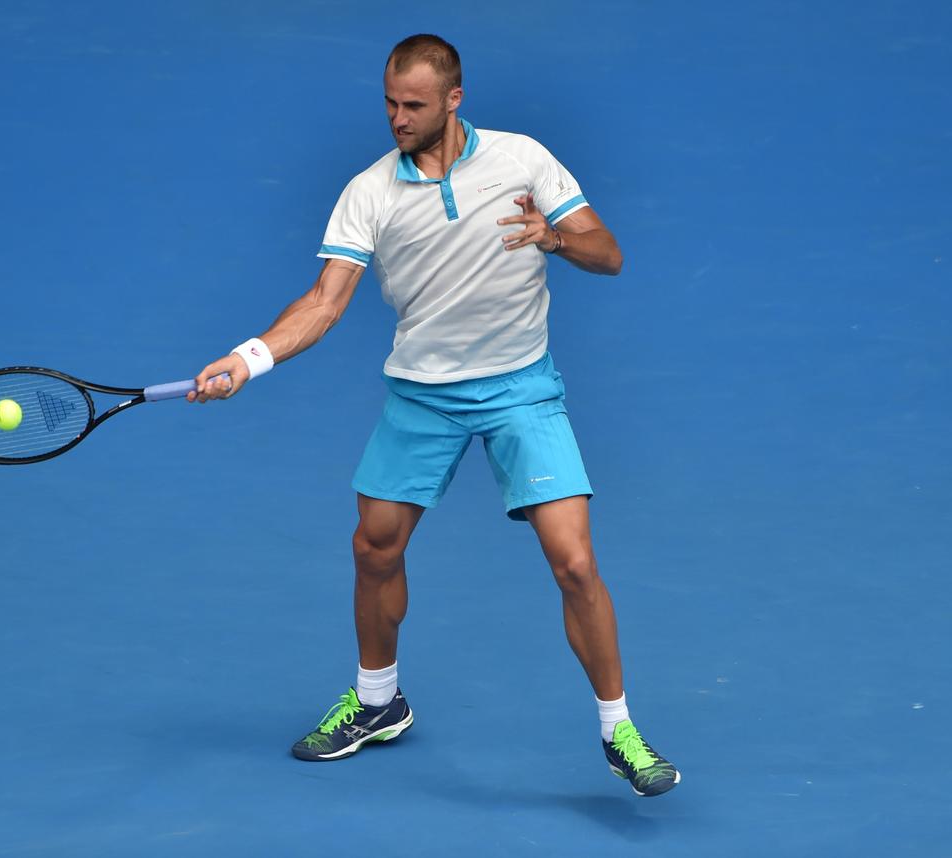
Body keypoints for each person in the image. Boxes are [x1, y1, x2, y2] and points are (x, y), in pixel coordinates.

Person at [188, 33, 678, 797]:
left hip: (521, 388)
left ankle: (620, 731)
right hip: (423, 393)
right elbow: (324, 302)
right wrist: (249, 358)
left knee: (575, 562)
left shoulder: (522, 158)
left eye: (412, 104)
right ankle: (378, 702)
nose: (396, 117)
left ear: (454, 100)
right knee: (374, 549)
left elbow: (607, 252)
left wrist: (552, 237)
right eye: (388, 101)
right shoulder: (370, 192)